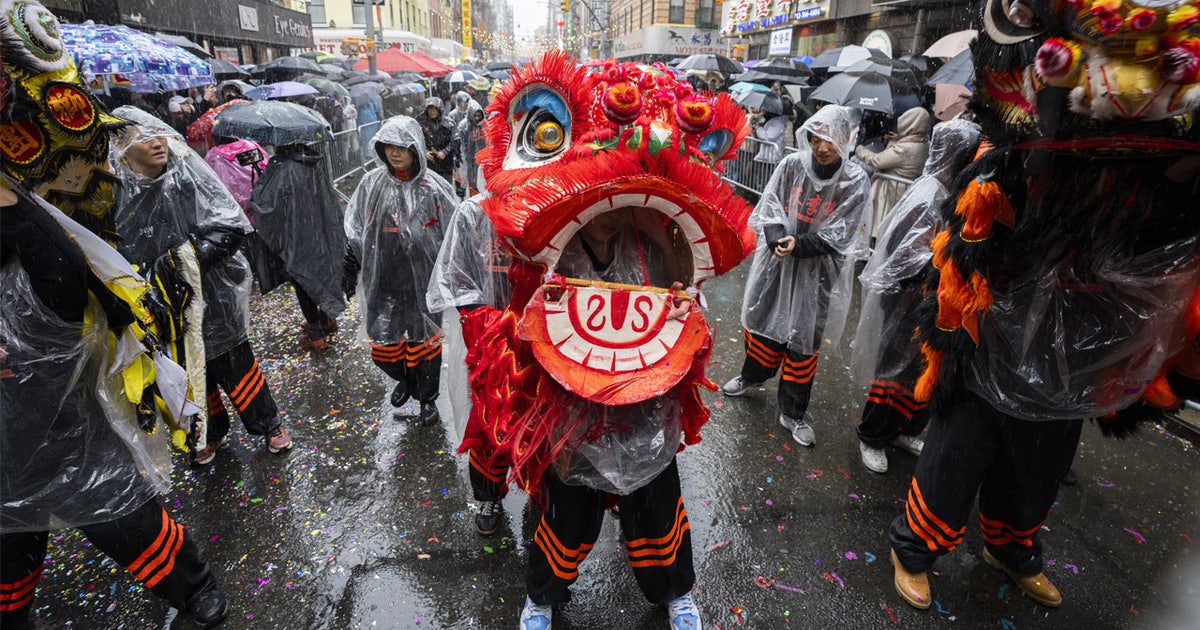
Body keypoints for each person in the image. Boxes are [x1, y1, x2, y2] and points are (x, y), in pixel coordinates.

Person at [517, 210, 700, 630]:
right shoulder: (554, 255)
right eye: (599, 206)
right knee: (569, 515)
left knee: (658, 508)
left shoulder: (650, 250)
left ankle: (675, 593)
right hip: (576, 412)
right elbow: (529, 327)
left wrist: (679, 304)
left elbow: (684, 313)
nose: (608, 218)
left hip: (644, 410)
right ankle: (542, 597)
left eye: (619, 207)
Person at [109, 106, 294, 465]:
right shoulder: (117, 191)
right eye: (143, 137)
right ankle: (205, 432)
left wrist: (186, 260)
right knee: (189, 371)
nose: (157, 143)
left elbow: (230, 225)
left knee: (237, 365)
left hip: (212, 294)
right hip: (161, 306)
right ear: (121, 146)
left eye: (158, 133)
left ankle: (267, 423)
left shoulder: (187, 176)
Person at [721, 105, 872, 447]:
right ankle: (751, 377)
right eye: (816, 138)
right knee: (763, 324)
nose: (822, 147)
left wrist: (801, 244)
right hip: (777, 264)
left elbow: (842, 232)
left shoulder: (854, 179)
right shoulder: (792, 165)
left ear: (845, 140)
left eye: (831, 140)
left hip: (817, 273)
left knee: (803, 341)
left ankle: (792, 412)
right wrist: (776, 237)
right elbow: (771, 204)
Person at [849, 119, 982, 474]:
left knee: (922, 373)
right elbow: (900, 255)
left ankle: (903, 430)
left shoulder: (952, 194)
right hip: (908, 304)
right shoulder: (927, 195)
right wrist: (941, 269)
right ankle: (873, 435)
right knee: (894, 372)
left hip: (935, 306)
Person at [344, 116, 457, 426]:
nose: (395, 153)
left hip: (424, 281)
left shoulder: (435, 188)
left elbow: (454, 233)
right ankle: (404, 378)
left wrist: (452, 275)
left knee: (425, 342)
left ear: (416, 149)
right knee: (384, 345)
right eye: (389, 147)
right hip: (384, 279)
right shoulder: (371, 184)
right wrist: (350, 263)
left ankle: (426, 398)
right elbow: (355, 229)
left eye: (402, 147)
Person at [426, 189, 513, 536]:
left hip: (546, 334)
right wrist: (486, 325)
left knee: (544, 424)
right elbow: (456, 276)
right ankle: (487, 495)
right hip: (489, 337)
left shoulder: (556, 201)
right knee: (489, 421)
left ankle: (545, 494)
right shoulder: (474, 212)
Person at [249, 142, 348, 351]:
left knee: (303, 280)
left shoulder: (282, 168)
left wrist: (258, 186)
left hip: (296, 237)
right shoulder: (312, 161)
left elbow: (268, 207)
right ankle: (327, 317)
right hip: (319, 231)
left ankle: (315, 333)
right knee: (321, 273)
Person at [854, 107, 931, 237]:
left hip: (890, 192)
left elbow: (877, 160)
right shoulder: (923, 142)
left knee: (880, 225)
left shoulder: (904, 148)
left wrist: (859, 149)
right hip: (905, 192)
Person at [446, 100, 486, 198]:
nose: (477, 118)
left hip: (483, 159)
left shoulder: (484, 124)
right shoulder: (464, 126)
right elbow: (461, 146)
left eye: (479, 115)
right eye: (475, 115)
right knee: (473, 183)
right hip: (470, 160)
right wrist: (463, 161)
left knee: (483, 183)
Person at [416, 96, 456, 184]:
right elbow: (416, 140)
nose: (432, 111)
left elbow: (455, 140)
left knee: (445, 188)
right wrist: (424, 151)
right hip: (429, 165)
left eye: (434, 108)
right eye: (429, 109)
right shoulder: (421, 123)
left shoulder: (448, 123)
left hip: (445, 164)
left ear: (439, 109)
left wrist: (445, 151)